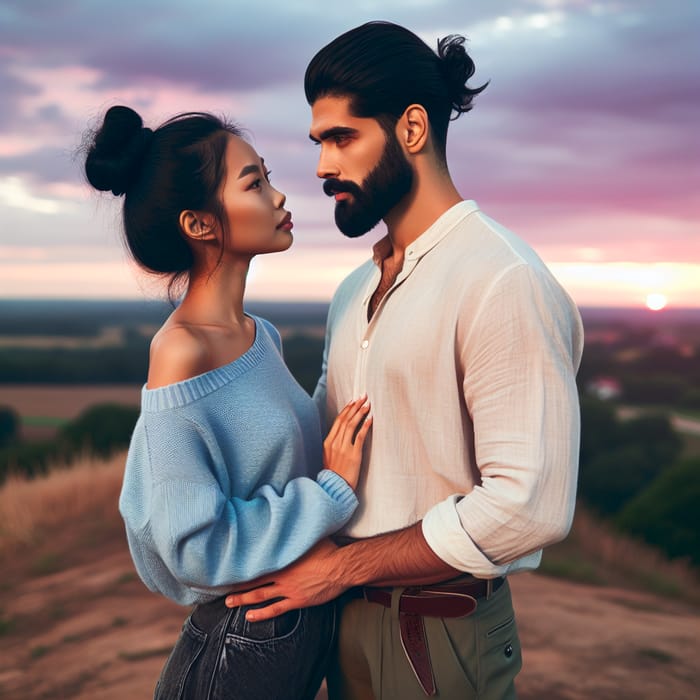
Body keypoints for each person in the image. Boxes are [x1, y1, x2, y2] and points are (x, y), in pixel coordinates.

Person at [224, 21, 584, 699]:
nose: (323, 167)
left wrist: (341, 569)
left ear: (412, 129)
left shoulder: (501, 279)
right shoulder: (354, 290)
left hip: (436, 638)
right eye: (318, 142)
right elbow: (318, 442)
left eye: (341, 138)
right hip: (335, 625)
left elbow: (529, 508)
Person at [83, 105, 372, 699]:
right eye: (254, 183)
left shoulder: (258, 334)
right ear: (200, 225)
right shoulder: (180, 354)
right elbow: (190, 546)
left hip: (293, 625)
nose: (279, 195)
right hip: (244, 640)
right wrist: (328, 494)